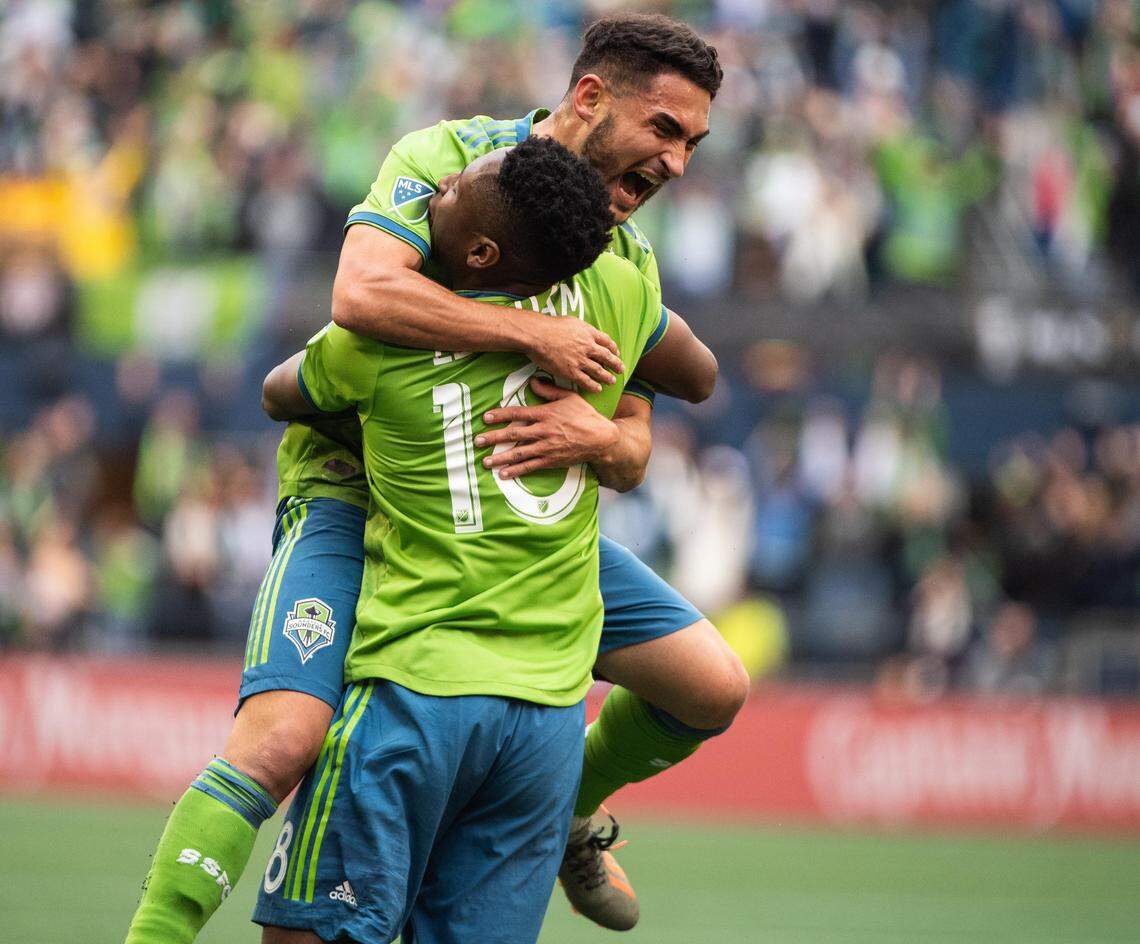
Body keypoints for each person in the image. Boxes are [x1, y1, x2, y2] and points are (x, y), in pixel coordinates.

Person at [124, 13, 748, 942]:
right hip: (357, 493)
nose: (679, 164)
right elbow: (361, 293)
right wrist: (532, 332)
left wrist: (611, 441)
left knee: (712, 685)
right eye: (665, 130)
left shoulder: (622, 253)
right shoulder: (450, 160)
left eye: (694, 143)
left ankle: (569, 811)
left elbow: (657, 403)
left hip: (510, 526)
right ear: (590, 99)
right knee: (283, 739)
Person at [255, 136, 664, 942]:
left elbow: (279, 393)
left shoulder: (376, 346)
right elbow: (697, 372)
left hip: (414, 688)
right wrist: (610, 433)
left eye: (450, 192)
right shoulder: (622, 296)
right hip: (548, 716)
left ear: (480, 252)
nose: (439, 185)